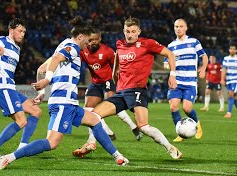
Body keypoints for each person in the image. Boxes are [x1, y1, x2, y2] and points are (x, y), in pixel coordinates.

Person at [0, 16, 129, 170]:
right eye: (87, 40)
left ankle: (118, 157)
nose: (89, 43)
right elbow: (56, 59)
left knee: (95, 120)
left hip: (69, 103)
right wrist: (47, 81)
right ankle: (8, 158)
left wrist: (42, 93)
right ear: (80, 37)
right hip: (62, 104)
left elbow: (41, 68)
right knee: (51, 143)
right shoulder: (72, 47)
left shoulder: (65, 45)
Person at [72, 17, 182, 160]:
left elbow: (169, 53)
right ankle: (90, 144)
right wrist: (114, 75)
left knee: (143, 127)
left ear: (139, 32)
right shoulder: (120, 44)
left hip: (137, 91)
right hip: (121, 92)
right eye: (127, 31)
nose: (130, 35)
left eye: (133, 31)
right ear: (124, 31)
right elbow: (117, 59)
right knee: (94, 116)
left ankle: (170, 148)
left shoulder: (147, 44)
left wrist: (172, 75)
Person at [0, 18, 42, 157]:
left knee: (36, 111)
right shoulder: (1, 40)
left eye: (24, 31)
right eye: (20, 31)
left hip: (9, 87)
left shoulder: (17, 48)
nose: (23, 34)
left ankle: (22, 146)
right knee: (21, 120)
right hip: (1, 86)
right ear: (11, 30)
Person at [74, 28, 142, 154]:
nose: (92, 42)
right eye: (90, 40)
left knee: (112, 106)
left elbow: (118, 65)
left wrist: (121, 79)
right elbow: (77, 64)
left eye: (95, 39)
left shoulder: (107, 51)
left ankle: (133, 126)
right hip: (95, 83)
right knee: (89, 109)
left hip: (108, 81)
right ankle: (105, 134)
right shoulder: (84, 51)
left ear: (100, 39)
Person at [164, 18, 208, 142]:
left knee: (187, 108)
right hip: (176, 81)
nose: (178, 29)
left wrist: (204, 67)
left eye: (181, 26)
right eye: (176, 26)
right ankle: (180, 132)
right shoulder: (171, 46)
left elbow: (204, 56)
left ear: (186, 28)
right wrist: (172, 61)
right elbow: (165, 64)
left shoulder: (194, 42)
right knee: (173, 107)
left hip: (190, 82)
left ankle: (197, 125)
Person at [221, 44, 237, 118]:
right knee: (234, 96)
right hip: (228, 80)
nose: (232, 50)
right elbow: (224, 69)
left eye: (233, 49)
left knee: (231, 94)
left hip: (236, 80)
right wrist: (222, 79)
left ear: (236, 50)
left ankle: (229, 113)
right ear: (229, 50)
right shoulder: (226, 58)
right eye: (230, 49)